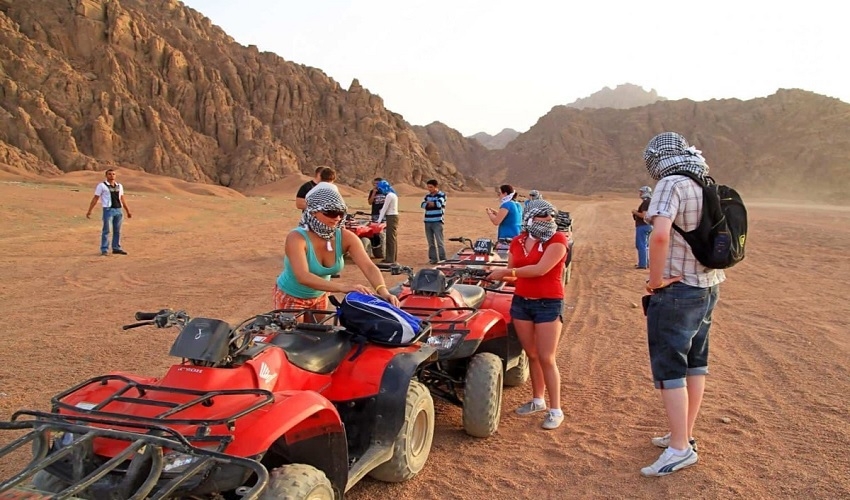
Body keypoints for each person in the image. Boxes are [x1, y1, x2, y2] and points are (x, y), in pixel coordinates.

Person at [639, 131, 725, 477]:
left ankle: (679, 449)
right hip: (708, 287)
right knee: (695, 362)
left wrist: (655, 281)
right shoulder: (703, 179)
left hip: (678, 291)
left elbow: (659, 235)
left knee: (671, 367)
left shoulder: (670, 182)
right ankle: (683, 435)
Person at [487, 201, 568, 430]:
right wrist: (494, 274)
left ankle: (556, 409)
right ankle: (537, 400)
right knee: (531, 354)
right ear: (531, 218)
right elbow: (513, 276)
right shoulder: (517, 241)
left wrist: (506, 271)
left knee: (546, 357)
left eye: (551, 214)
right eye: (543, 215)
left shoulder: (558, 240)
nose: (549, 218)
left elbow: (540, 269)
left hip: (548, 303)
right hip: (522, 302)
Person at [274, 186, 400, 312]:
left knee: (319, 331)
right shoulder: (297, 238)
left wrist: (383, 291)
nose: (337, 218)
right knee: (295, 332)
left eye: (341, 213)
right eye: (331, 213)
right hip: (291, 296)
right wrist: (342, 287)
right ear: (313, 212)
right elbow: (303, 276)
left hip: (320, 296)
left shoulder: (345, 237)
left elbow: (368, 266)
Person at [86, 169, 132, 256]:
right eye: (109, 174)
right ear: (106, 176)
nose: (112, 176)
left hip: (118, 210)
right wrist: (90, 210)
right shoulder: (102, 186)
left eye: (113, 174)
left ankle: (116, 248)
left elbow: (122, 198)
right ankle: (104, 249)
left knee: (117, 230)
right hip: (108, 210)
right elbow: (96, 198)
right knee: (106, 230)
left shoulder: (119, 186)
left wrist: (127, 211)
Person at [421, 179, 447, 264]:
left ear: (436, 187)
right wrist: (431, 204)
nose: (429, 189)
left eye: (431, 187)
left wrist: (430, 204)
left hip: (437, 221)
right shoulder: (427, 196)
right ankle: (433, 259)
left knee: (439, 241)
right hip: (427, 221)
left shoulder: (442, 195)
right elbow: (423, 205)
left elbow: (439, 204)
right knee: (430, 242)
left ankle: (443, 259)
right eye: (428, 187)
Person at [376, 180, 399, 264]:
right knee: (392, 238)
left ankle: (390, 259)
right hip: (393, 216)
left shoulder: (389, 195)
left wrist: (378, 220)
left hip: (391, 217)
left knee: (390, 238)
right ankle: (391, 258)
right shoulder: (393, 194)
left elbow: (384, 208)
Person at [632, 186, 653, 269]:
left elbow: (643, 215)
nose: (640, 194)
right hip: (648, 225)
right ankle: (646, 263)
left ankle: (643, 264)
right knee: (644, 245)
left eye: (641, 192)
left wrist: (635, 212)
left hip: (643, 226)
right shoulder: (650, 201)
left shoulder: (646, 202)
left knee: (641, 245)